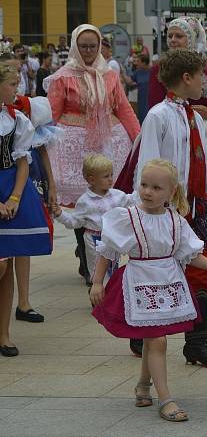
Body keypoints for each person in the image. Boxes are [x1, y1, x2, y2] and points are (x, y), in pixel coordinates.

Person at [89, 158, 207, 423]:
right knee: (157, 340)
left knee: (154, 337)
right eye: (144, 185)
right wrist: (97, 282)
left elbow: (188, 252)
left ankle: (143, 385)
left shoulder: (176, 221)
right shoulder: (128, 216)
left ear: (171, 192)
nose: (147, 192)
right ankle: (166, 399)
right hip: (138, 283)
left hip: (168, 284)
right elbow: (108, 249)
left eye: (155, 187)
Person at [131, 49, 207, 368]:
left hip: (195, 208)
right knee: (157, 270)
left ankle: (196, 343)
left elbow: (206, 167)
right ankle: (142, 328)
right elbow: (147, 164)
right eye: (201, 76)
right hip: (166, 210)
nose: (205, 82)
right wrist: (147, 207)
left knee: (201, 271)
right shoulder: (158, 115)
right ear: (186, 78)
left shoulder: (195, 117)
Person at [47, 24, 140, 285]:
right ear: (75, 47)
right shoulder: (63, 77)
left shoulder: (109, 75)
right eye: (83, 46)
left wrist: (139, 138)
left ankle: (96, 254)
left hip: (106, 143)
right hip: (72, 147)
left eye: (93, 46)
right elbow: (52, 114)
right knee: (79, 202)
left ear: (99, 47)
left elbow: (123, 108)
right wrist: (42, 146)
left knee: (105, 197)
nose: (88, 51)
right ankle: (86, 256)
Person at [0, 64, 52, 357]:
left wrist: (16, 197)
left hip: (11, 188)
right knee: (1, 265)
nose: (15, 90)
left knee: (7, 264)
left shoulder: (17, 120)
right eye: (10, 84)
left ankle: (4, 334)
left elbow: (23, 162)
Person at [147, 17, 207, 191]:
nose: (172, 40)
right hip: (173, 136)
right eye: (170, 36)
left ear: (192, 38)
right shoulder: (159, 69)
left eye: (179, 36)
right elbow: (154, 108)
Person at [9, 92, 59, 322]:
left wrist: (52, 185)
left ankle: (24, 302)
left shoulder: (28, 107)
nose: (15, 84)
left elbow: (40, 149)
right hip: (7, 178)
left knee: (23, 242)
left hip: (28, 177)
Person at [53, 154, 134, 285]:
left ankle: (109, 298)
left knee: (113, 268)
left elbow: (132, 200)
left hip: (112, 239)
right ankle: (97, 294)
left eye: (111, 175)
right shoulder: (85, 202)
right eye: (106, 176)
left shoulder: (117, 196)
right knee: (97, 270)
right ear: (92, 180)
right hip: (94, 239)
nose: (111, 179)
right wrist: (60, 214)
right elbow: (74, 222)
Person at [130, 53, 152, 123]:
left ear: (144, 63)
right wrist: (122, 73)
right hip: (141, 102)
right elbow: (130, 82)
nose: (137, 64)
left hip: (151, 101)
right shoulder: (138, 72)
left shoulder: (153, 71)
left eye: (138, 62)